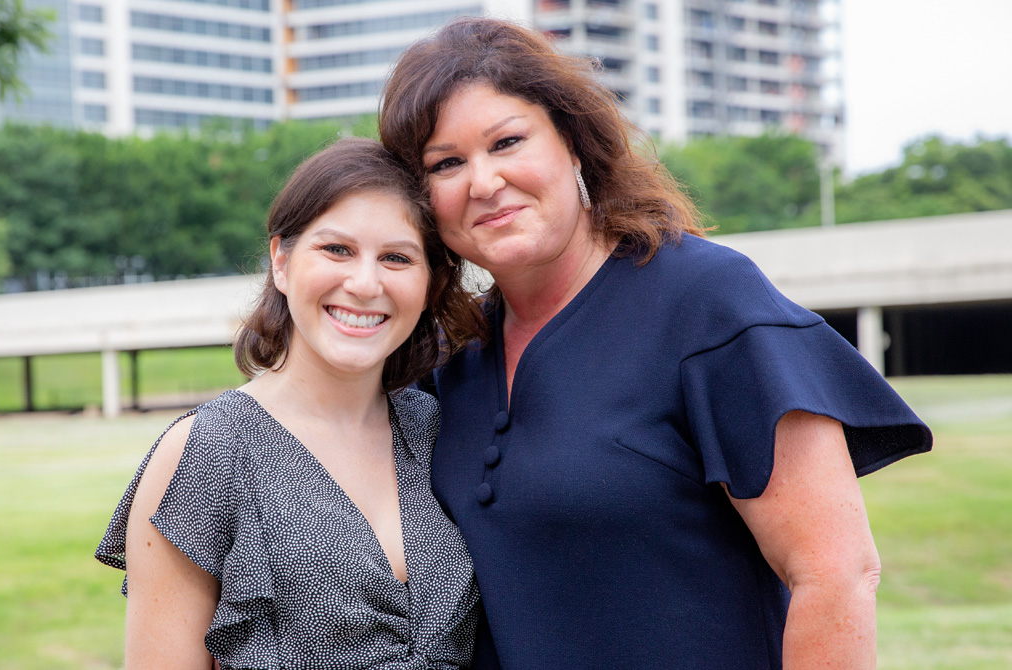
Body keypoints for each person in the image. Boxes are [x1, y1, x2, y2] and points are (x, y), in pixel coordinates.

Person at [378, 18, 933, 670]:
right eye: (447, 164)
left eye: (507, 142)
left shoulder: (706, 303)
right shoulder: (447, 362)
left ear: (574, 143)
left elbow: (836, 575)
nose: (484, 181)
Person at [95, 138, 485, 670]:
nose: (365, 283)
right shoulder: (207, 454)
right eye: (337, 249)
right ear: (281, 261)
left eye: (396, 257)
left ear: (428, 284)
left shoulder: (437, 430)